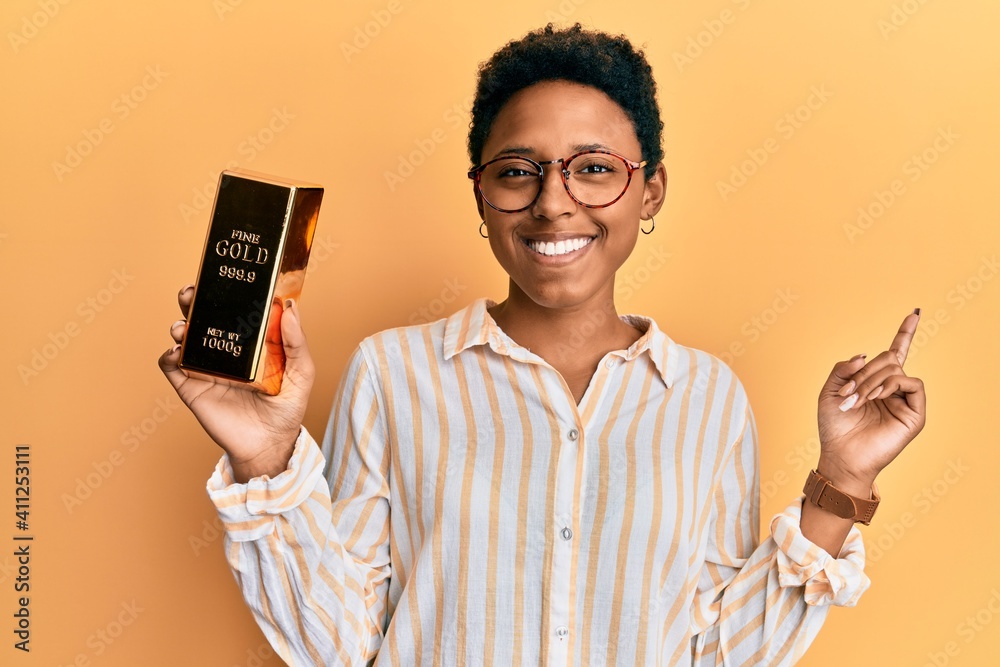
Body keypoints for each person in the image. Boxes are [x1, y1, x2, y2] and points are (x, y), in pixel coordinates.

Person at [158, 23, 926, 666]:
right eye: (518, 171)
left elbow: (715, 652)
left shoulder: (705, 397)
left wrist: (841, 478)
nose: (554, 203)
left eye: (595, 169)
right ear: (481, 192)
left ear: (650, 188)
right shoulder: (394, 375)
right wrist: (264, 459)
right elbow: (345, 645)